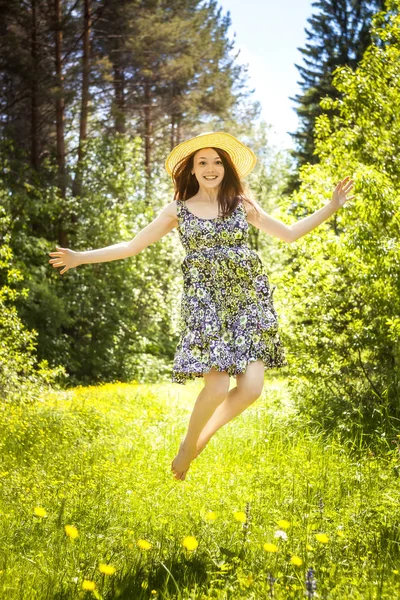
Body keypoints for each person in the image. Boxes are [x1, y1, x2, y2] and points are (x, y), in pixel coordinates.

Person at [48, 131, 354, 481]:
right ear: (191, 170)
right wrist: (79, 257)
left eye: (217, 162)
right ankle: (187, 445)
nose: (211, 168)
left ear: (227, 168)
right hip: (206, 302)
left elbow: (288, 234)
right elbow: (132, 246)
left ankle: (200, 440)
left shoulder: (242, 204)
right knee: (219, 386)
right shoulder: (177, 209)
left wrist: (331, 207)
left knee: (252, 388)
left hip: (248, 300)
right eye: (202, 162)